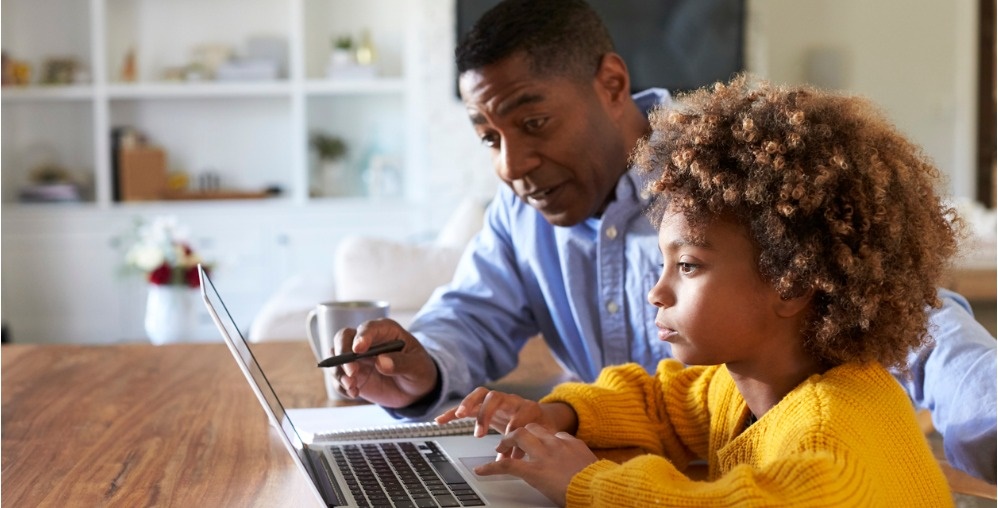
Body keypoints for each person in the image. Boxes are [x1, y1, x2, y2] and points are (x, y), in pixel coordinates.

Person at [332, 0, 997, 482]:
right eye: (490, 138)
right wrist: (418, 371)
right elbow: (477, 322)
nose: (510, 165)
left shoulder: (721, 186)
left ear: (612, 85)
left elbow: (909, 317)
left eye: (534, 121)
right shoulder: (521, 214)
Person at [435, 75, 957, 506]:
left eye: (686, 266)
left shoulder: (828, 440)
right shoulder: (744, 383)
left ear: (791, 282)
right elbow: (660, 400)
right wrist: (555, 415)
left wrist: (584, 483)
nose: (656, 293)